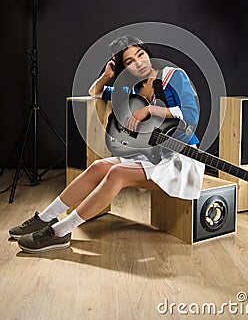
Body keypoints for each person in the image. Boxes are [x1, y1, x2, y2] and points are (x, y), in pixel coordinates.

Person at [9, 35, 204, 253]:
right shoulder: (131, 89)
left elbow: (191, 115)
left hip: (181, 160)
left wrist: (149, 109)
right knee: (98, 167)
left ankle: (59, 232)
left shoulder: (173, 76)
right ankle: (45, 217)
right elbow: (96, 92)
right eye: (129, 62)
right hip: (153, 156)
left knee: (117, 173)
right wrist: (107, 75)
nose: (138, 62)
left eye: (140, 54)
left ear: (147, 53)